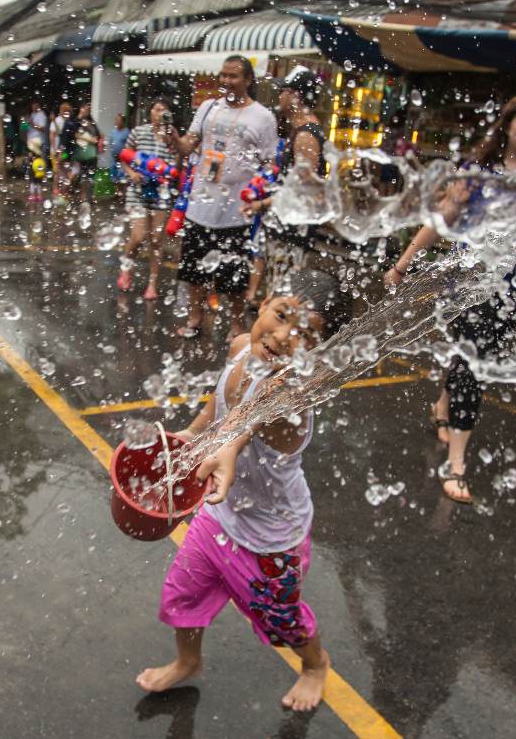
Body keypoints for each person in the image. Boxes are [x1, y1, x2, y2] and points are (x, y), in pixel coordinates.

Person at [135, 269, 352, 711]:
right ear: (266, 300)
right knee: (182, 592)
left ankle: (315, 665)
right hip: (221, 513)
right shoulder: (239, 349)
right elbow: (221, 404)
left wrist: (229, 446)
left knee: (281, 622)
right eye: (281, 315)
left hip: (272, 537)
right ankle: (187, 661)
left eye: (305, 335)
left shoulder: (293, 399)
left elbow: (252, 415)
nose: (283, 336)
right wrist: (192, 436)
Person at [384, 93, 516, 504]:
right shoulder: (479, 170)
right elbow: (443, 219)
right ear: (508, 125)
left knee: (472, 357)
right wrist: (403, 263)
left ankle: (441, 405)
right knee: (474, 368)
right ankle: (457, 464)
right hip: (469, 287)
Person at [169, 55, 280, 338]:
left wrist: (257, 198)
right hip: (199, 207)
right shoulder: (208, 108)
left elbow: (270, 166)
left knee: (234, 277)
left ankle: (236, 323)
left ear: (248, 80)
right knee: (194, 272)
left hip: (235, 212)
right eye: (223, 76)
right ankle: (195, 318)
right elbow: (187, 146)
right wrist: (173, 139)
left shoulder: (263, 117)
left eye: (233, 77)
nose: (226, 82)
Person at [239, 66, 327, 308]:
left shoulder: (307, 135)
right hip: (286, 225)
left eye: (283, 91)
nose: (280, 97)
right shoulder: (299, 130)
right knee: (277, 288)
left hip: (293, 231)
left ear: (296, 96)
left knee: (284, 293)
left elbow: (302, 191)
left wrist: (260, 204)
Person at [117, 99, 179, 300]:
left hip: (161, 194)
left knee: (155, 240)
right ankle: (126, 268)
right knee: (138, 237)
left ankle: (152, 284)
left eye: (164, 109)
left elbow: (176, 165)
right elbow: (124, 157)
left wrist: (168, 173)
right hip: (137, 192)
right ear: (150, 112)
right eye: (156, 108)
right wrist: (131, 174)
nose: (160, 112)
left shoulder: (171, 137)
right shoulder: (139, 132)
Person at [63, 103, 100, 204]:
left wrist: (95, 142)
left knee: (86, 176)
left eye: (88, 110)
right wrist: (88, 139)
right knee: (74, 173)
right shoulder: (75, 121)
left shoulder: (91, 123)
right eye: (85, 109)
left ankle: (83, 197)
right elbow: (73, 135)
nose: (86, 111)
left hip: (89, 153)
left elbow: (97, 136)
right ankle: (64, 194)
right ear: (81, 109)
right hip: (78, 152)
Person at [49, 101, 72, 204]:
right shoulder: (57, 121)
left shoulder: (69, 121)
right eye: (64, 110)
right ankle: (56, 191)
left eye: (67, 110)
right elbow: (52, 135)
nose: (66, 112)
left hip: (65, 150)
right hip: (57, 150)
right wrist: (54, 149)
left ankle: (64, 193)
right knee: (57, 171)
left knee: (66, 171)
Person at [25, 100, 48, 201]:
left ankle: (39, 193)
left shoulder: (41, 115)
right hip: (31, 143)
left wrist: (32, 123)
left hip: (39, 144)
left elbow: (42, 128)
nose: (33, 107)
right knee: (30, 168)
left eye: (35, 105)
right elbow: (27, 129)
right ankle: (32, 192)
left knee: (39, 168)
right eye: (32, 105)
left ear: (38, 105)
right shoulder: (32, 115)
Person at [106, 112, 129, 182]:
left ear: (123, 122)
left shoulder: (127, 132)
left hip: (122, 160)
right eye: (116, 120)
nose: (117, 122)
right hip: (113, 158)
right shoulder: (113, 131)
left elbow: (129, 146)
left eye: (119, 120)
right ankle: (117, 191)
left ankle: (121, 191)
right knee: (114, 178)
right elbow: (110, 143)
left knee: (122, 178)